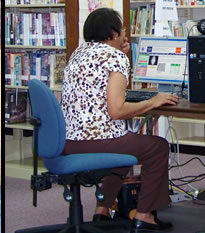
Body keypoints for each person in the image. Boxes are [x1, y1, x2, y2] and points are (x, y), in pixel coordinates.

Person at [61, 8, 179, 232]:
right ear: (113, 33)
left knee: (125, 155)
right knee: (158, 147)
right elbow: (116, 110)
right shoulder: (115, 57)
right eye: (123, 29)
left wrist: (120, 53)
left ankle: (102, 212)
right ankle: (144, 216)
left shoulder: (78, 52)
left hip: (68, 141)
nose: (125, 34)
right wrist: (152, 102)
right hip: (95, 141)